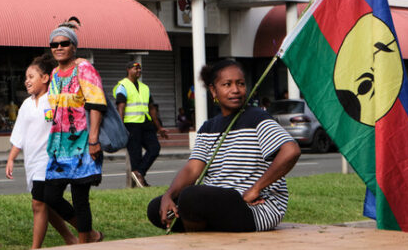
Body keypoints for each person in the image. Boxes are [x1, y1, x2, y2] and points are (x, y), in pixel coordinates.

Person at [148, 59, 301, 233]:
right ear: (213, 90)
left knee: (191, 197)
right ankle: (204, 223)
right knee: (156, 208)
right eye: (227, 84)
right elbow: (192, 170)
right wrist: (169, 195)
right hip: (215, 202)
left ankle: (199, 233)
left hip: (254, 207)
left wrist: (255, 189)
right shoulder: (208, 128)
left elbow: (291, 150)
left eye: (240, 84)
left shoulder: (257, 118)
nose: (235, 90)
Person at [5, 54, 77, 249]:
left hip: (50, 161)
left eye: (31, 77)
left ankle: (35, 249)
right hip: (32, 162)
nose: (27, 81)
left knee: (38, 204)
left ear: (45, 78)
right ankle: (78, 235)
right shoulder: (26, 105)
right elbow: (19, 134)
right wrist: (11, 158)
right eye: (26, 77)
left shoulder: (54, 100)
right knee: (46, 204)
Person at [44, 25, 105, 244]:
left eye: (64, 43)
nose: (59, 48)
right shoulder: (53, 73)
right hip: (59, 146)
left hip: (82, 143)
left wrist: (94, 140)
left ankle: (84, 244)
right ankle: (90, 235)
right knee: (49, 196)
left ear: (74, 47)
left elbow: (96, 104)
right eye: (54, 44)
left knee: (80, 199)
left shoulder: (84, 69)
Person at [115, 61, 169, 188]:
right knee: (136, 155)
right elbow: (120, 107)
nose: (138, 71)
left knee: (154, 148)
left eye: (140, 69)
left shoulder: (145, 88)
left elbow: (152, 108)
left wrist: (159, 127)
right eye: (135, 69)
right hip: (131, 124)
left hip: (146, 123)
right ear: (128, 70)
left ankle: (139, 173)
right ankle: (137, 184)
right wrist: (120, 126)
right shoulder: (123, 86)